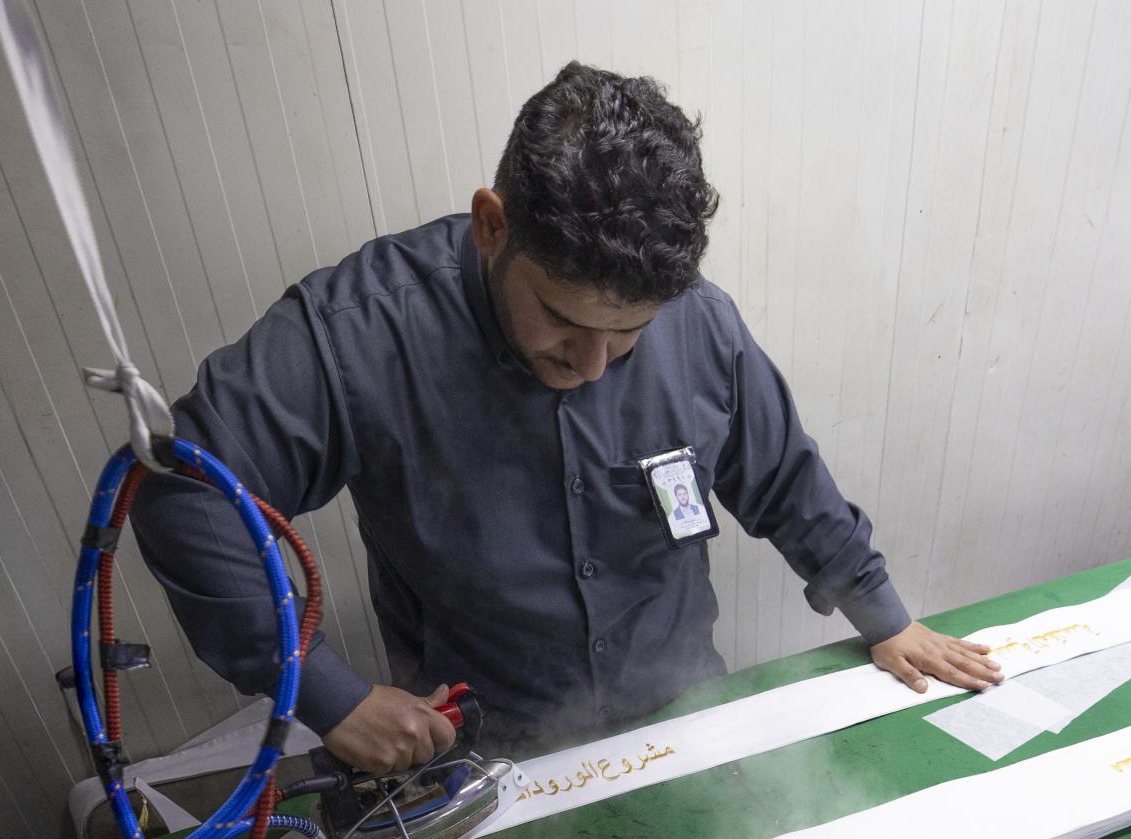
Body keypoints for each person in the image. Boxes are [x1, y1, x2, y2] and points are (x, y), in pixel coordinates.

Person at [131, 61, 1000, 776]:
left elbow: (783, 478)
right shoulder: (364, 332)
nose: (592, 366)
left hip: (683, 722)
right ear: (492, 226)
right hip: (486, 755)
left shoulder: (700, 322)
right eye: (563, 321)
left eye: (629, 335)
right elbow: (185, 491)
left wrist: (885, 615)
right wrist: (326, 692)